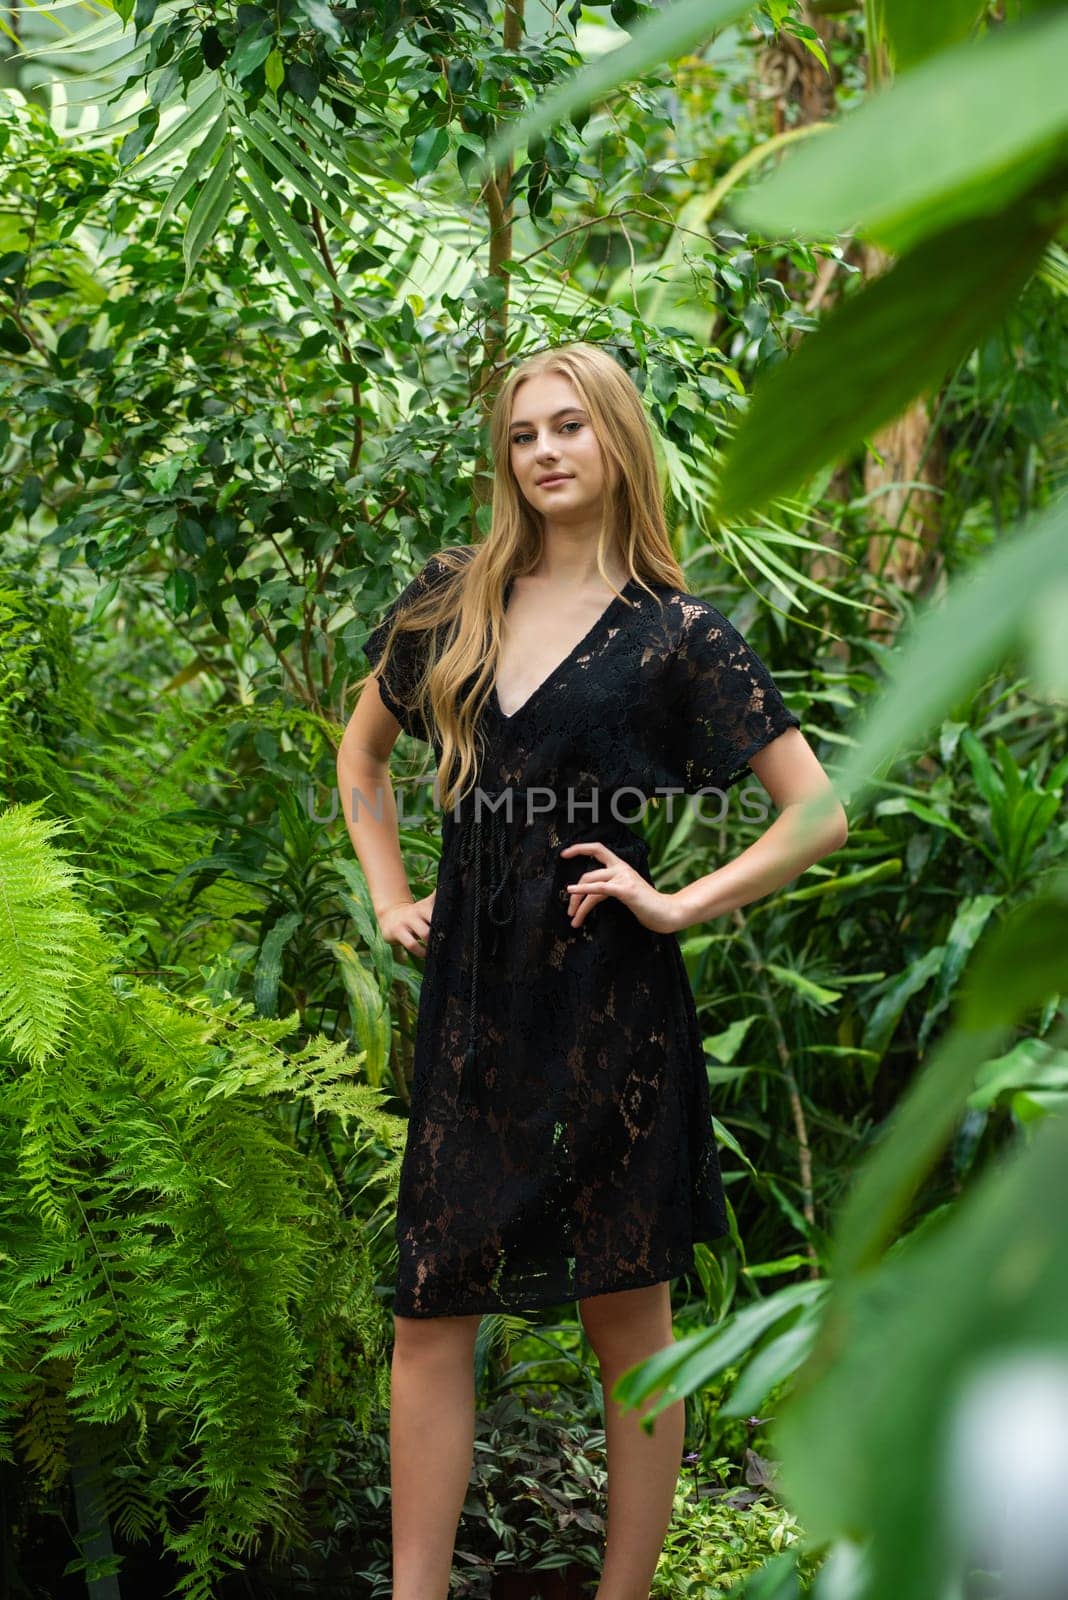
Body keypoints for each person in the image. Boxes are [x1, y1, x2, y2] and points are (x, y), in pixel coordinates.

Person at [336, 341, 848, 1600]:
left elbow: (816, 814)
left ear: (617, 440)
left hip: (613, 1012)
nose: (547, 451)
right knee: (427, 1309)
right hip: (471, 1005)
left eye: (570, 426)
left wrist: (675, 903)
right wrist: (394, 895)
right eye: (523, 434)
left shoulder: (680, 636)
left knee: (630, 1320)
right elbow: (360, 764)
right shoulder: (452, 598)